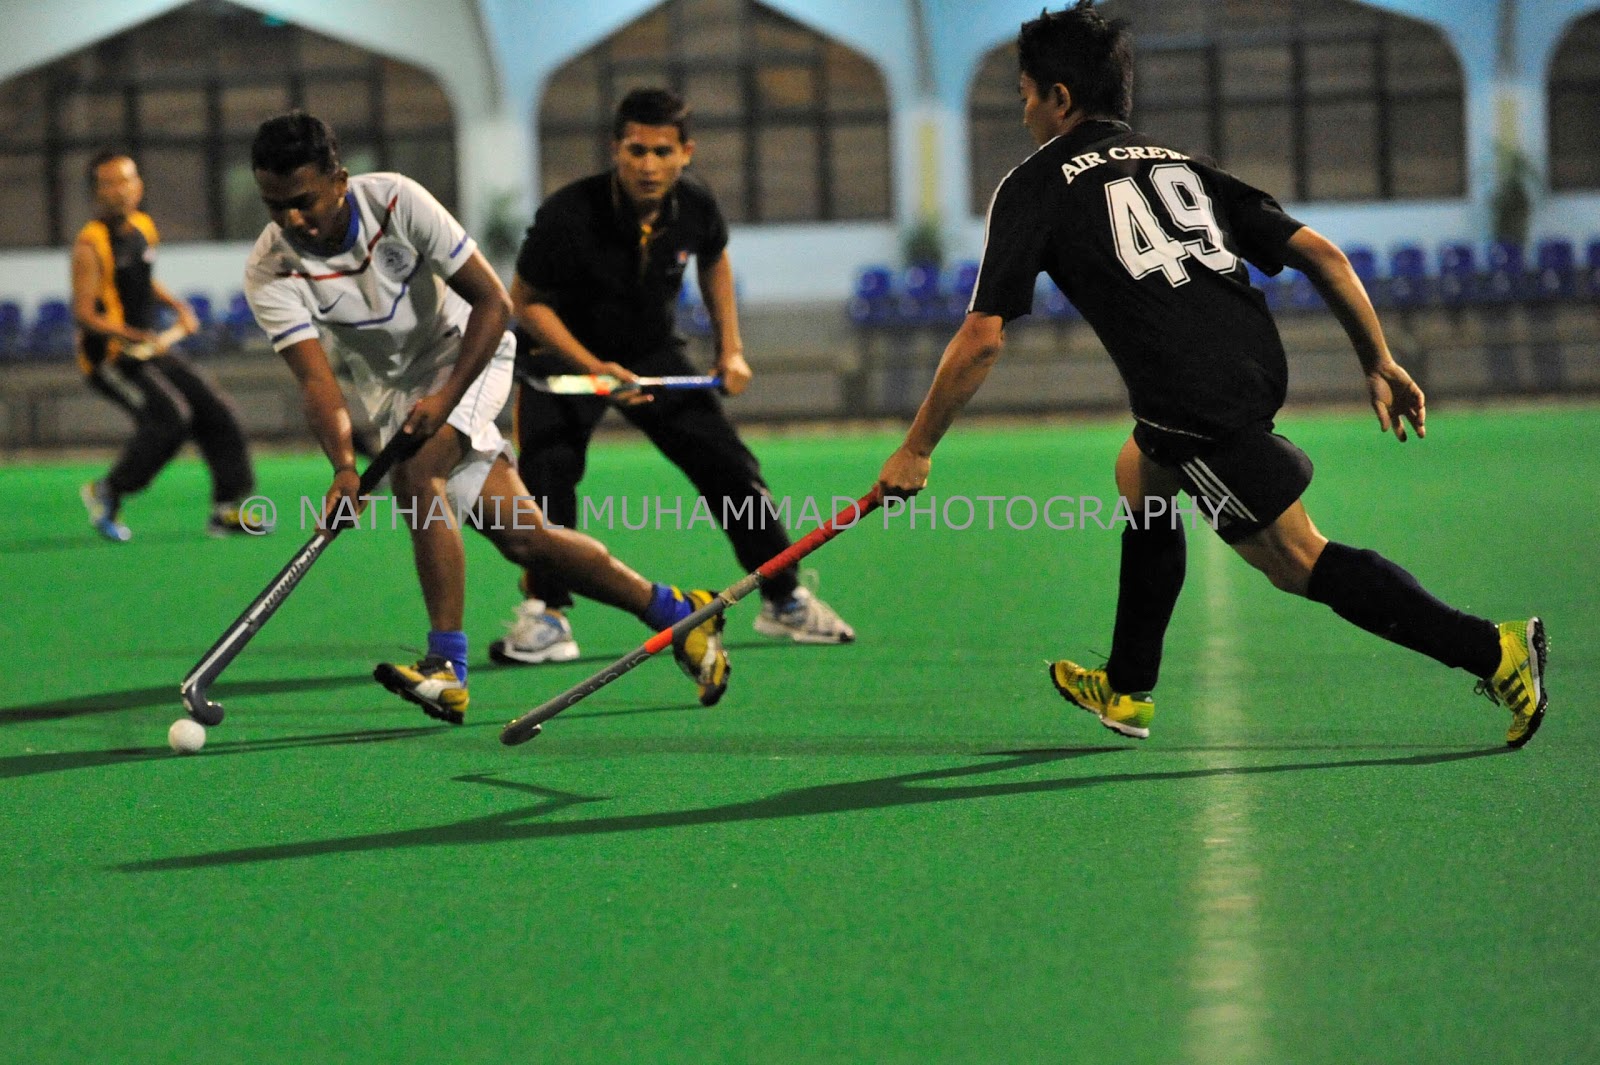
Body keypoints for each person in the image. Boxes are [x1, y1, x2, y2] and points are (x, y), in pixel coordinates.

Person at [876, 3, 1548, 749]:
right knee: (1141, 471)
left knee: (1296, 560)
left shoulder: (1033, 184)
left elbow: (981, 339)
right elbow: (1325, 255)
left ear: (1061, 98)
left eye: (1028, 93)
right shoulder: (1179, 162)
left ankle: (1493, 649)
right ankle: (1127, 686)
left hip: (1196, 395)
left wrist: (917, 448)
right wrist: (1379, 360)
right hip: (1251, 362)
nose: (1025, 110)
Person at [242, 111, 730, 722]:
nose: (292, 219)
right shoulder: (271, 267)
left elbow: (494, 302)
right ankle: (677, 612)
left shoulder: (397, 200)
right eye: (274, 205)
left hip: (469, 352)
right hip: (395, 390)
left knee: (418, 478)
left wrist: (445, 398)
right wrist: (343, 466)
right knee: (526, 540)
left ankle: (447, 667)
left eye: (303, 201)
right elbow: (316, 379)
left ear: (339, 179)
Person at [491, 87, 854, 666]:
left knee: (730, 468)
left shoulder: (695, 206)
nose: (648, 165)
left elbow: (715, 258)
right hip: (562, 365)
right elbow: (526, 303)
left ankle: (784, 599)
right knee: (547, 478)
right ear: (616, 149)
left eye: (663, 151)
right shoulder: (568, 214)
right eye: (636, 150)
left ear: (687, 152)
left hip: (652, 354)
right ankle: (548, 617)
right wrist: (592, 367)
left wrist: (730, 350)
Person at [73, 151, 260, 541]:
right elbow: (85, 314)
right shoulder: (90, 244)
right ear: (95, 193)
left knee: (217, 410)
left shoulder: (143, 227)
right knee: (170, 420)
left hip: (149, 350)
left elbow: (143, 281)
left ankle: (227, 509)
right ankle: (108, 490)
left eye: (125, 180)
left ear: (138, 186)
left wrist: (177, 306)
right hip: (110, 359)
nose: (118, 190)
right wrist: (129, 334)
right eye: (108, 183)